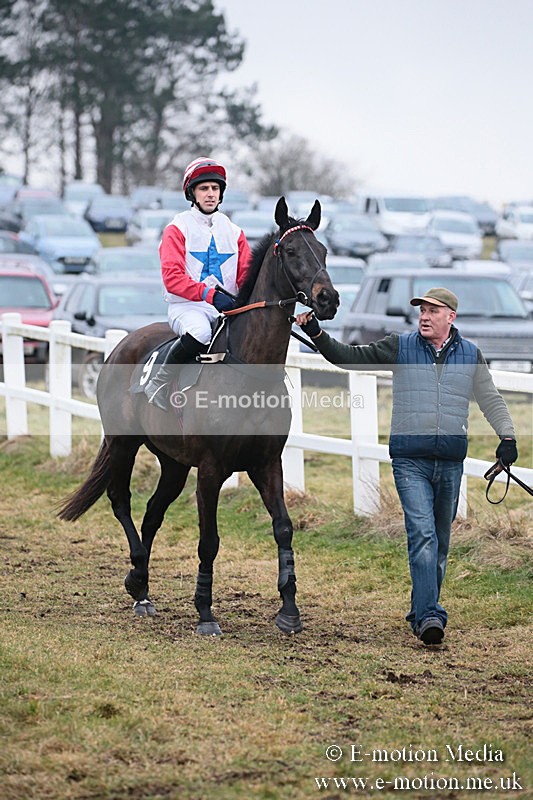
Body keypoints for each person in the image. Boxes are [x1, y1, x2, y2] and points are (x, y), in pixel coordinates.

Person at [296, 287, 518, 646]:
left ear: (451, 317)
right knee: (423, 536)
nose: (425, 316)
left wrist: (507, 438)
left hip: (449, 462)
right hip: (410, 461)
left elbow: (490, 399)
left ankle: (421, 612)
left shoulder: (471, 355)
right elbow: (350, 357)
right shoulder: (400, 347)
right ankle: (432, 616)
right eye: (422, 311)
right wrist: (317, 334)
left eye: (433, 311)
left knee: (440, 544)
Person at [144, 157, 252, 409]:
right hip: (187, 307)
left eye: (215, 188)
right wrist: (210, 295)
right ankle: (159, 381)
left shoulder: (235, 231)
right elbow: (172, 279)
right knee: (201, 333)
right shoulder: (177, 228)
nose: (210, 194)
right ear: (192, 193)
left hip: (226, 309)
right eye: (204, 188)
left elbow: (245, 276)